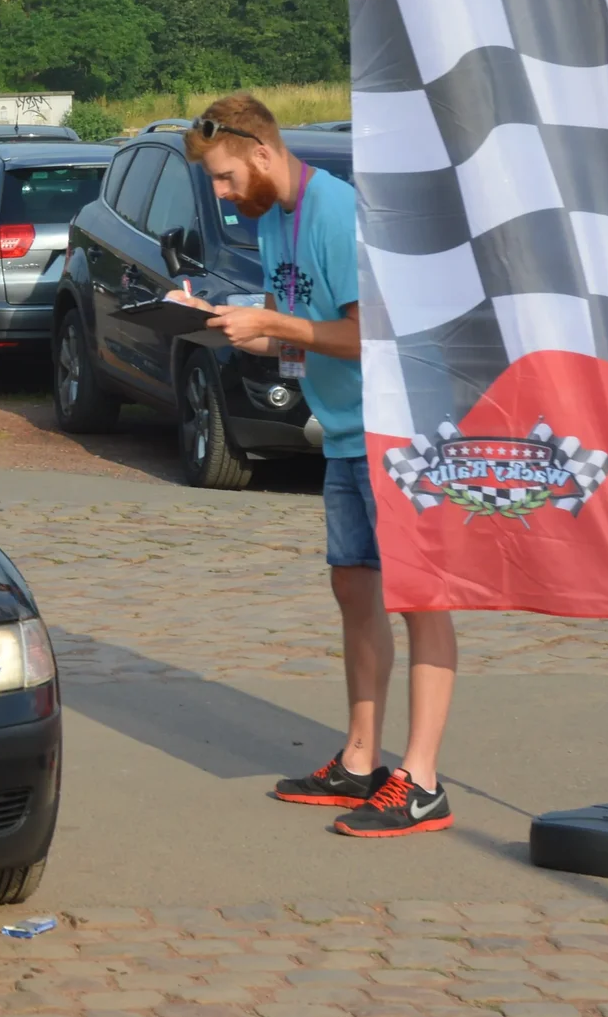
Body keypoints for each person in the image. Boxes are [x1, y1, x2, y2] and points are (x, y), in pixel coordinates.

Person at [181, 93, 456, 838]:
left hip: (394, 430)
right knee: (352, 588)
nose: (222, 194)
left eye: (226, 177)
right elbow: (303, 333)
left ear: (263, 152)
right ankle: (361, 758)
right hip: (340, 431)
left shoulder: (335, 210)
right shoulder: (273, 219)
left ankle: (424, 780)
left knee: (421, 598)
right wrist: (228, 325)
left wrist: (271, 322)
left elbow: (367, 335)